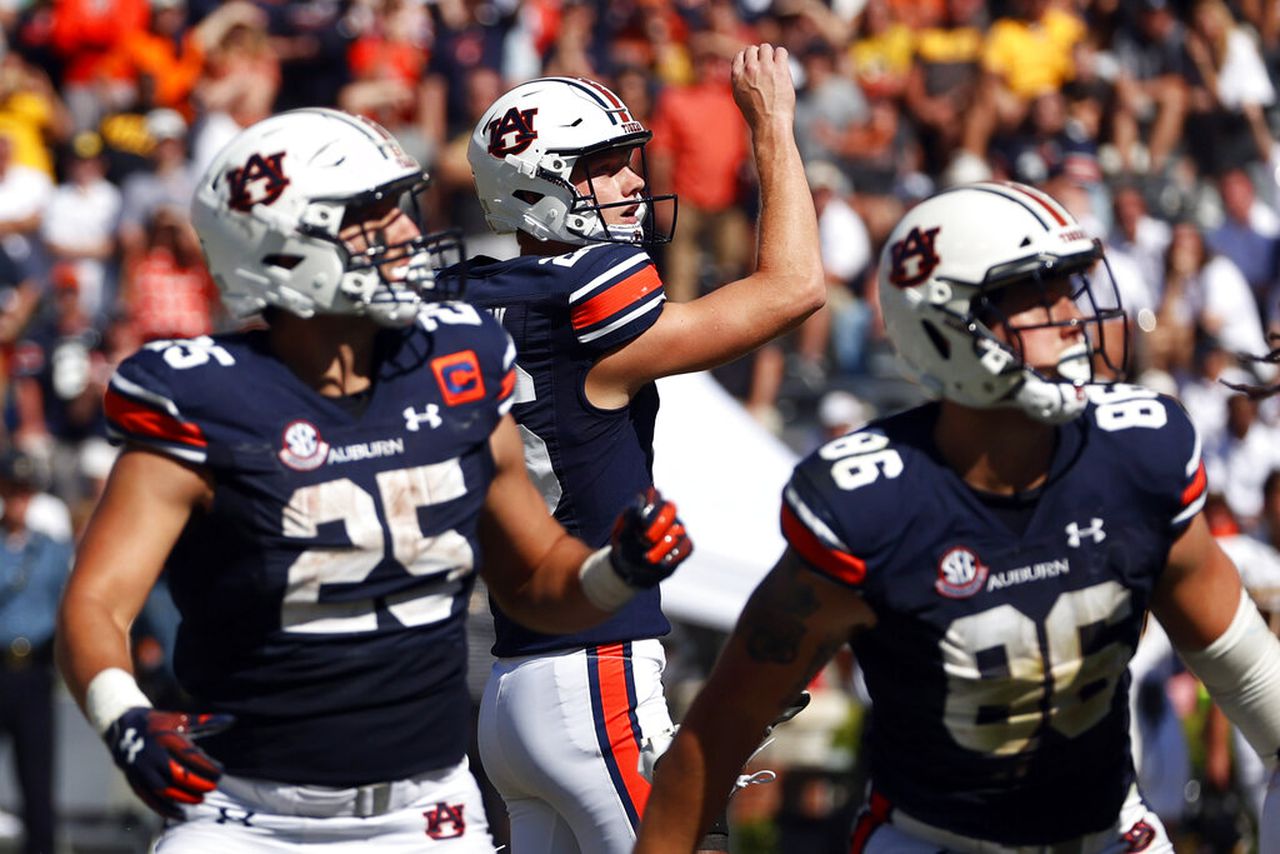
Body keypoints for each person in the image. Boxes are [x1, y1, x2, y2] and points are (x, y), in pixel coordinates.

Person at [54, 107, 694, 852]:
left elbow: (534, 580)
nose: (404, 233)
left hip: (423, 815)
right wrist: (122, 715)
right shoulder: (204, 397)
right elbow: (99, 599)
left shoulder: (458, 365)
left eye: (399, 208)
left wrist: (615, 571)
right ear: (281, 249)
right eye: (370, 215)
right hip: (242, 813)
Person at [635, 181, 1280, 852]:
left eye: (1069, 286)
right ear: (948, 327)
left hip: (1111, 833)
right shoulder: (871, 507)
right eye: (1038, 291)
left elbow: (1256, 682)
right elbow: (714, 738)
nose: (1071, 315)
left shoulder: (1136, 455)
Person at [450, 43, 824, 854]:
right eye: (605, 167)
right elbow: (794, 288)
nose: (630, 184)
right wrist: (774, 128)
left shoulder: (473, 299)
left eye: (629, 162)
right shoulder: (587, 291)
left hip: (512, 688)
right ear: (537, 183)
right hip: (594, 674)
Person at [0, 449, 72, 854]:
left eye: (24, 492)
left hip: (33, 674)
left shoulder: (50, 550)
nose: (18, 501)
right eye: (11, 491)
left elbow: (66, 605)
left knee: (38, 783)